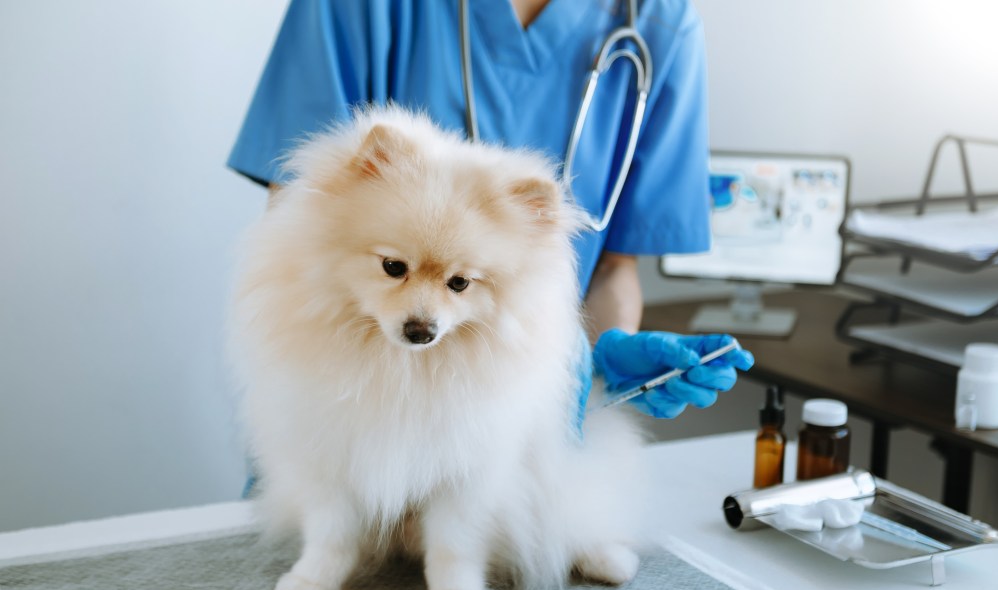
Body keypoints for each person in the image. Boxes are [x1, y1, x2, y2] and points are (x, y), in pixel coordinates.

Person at [228, 0, 753, 420]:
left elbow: (614, 266)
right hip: (343, 403)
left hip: (505, 423)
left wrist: (598, 356)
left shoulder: (659, 22)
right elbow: (303, 226)